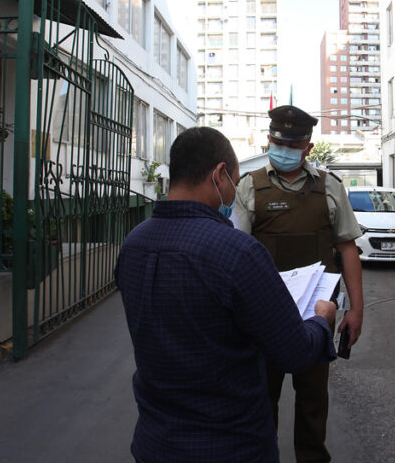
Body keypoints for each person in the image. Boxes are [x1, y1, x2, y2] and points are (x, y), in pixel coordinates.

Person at [115, 126, 337, 463]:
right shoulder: (237, 252)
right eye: (234, 181)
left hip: (154, 443)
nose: (233, 192)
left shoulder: (133, 245)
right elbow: (295, 353)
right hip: (231, 446)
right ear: (219, 176)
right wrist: (322, 319)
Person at [234, 105, 364, 462]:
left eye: (293, 144)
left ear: (308, 147)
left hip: (316, 316)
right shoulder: (249, 187)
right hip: (263, 318)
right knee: (262, 404)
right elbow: (235, 252)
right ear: (269, 140)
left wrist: (357, 310)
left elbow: (347, 248)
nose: (284, 149)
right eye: (279, 142)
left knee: (312, 405)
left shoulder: (330, 188)